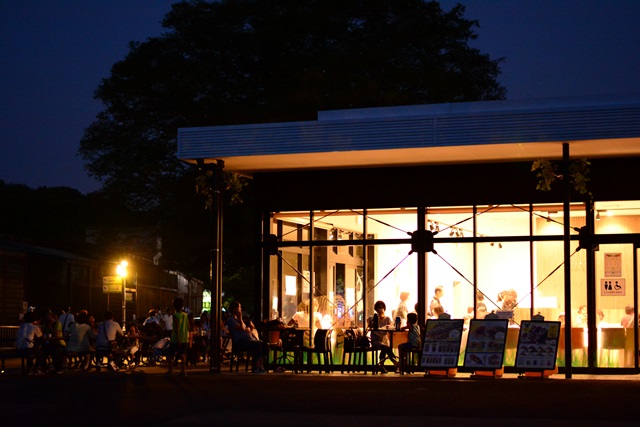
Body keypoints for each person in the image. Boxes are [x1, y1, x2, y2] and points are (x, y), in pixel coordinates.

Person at [226, 301, 267, 373]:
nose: (240, 309)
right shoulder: (231, 320)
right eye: (239, 307)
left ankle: (261, 364)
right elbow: (241, 328)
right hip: (240, 342)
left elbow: (245, 329)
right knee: (258, 345)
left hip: (247, 339)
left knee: (264, 344)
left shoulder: (238, 320)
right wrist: (240, 318)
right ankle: (256, 367)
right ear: (235, 309)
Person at [366, 300, 398, 373]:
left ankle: (382, 366)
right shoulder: (372, 318)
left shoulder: (387, 318)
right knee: (385, 347)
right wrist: (374, 320)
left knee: (385, 347)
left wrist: (389, 326)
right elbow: (369, 326)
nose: (380, 309)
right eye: (379, 308)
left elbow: (391, 326)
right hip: (376, 340)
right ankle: (394, 361)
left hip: (384, 340)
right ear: (376, 309)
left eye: (382, 307)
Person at [165, 297, 190, 376]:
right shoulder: (185, 315)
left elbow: (177, 328)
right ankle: (183, 371)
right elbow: (188, 326)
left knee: (169, 354)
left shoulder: (175, 315)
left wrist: (178, 339)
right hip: (185, 338)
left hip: (176, 339)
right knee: (182, 354)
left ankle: (171, 370)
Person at [15, 311, 43, 375]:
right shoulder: (34, 327)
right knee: (40, 353)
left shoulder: (21, 326)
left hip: (19, 347)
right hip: (28, 348)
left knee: (30, 351)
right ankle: (36, 369)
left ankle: (29, 369)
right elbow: (40, 336)